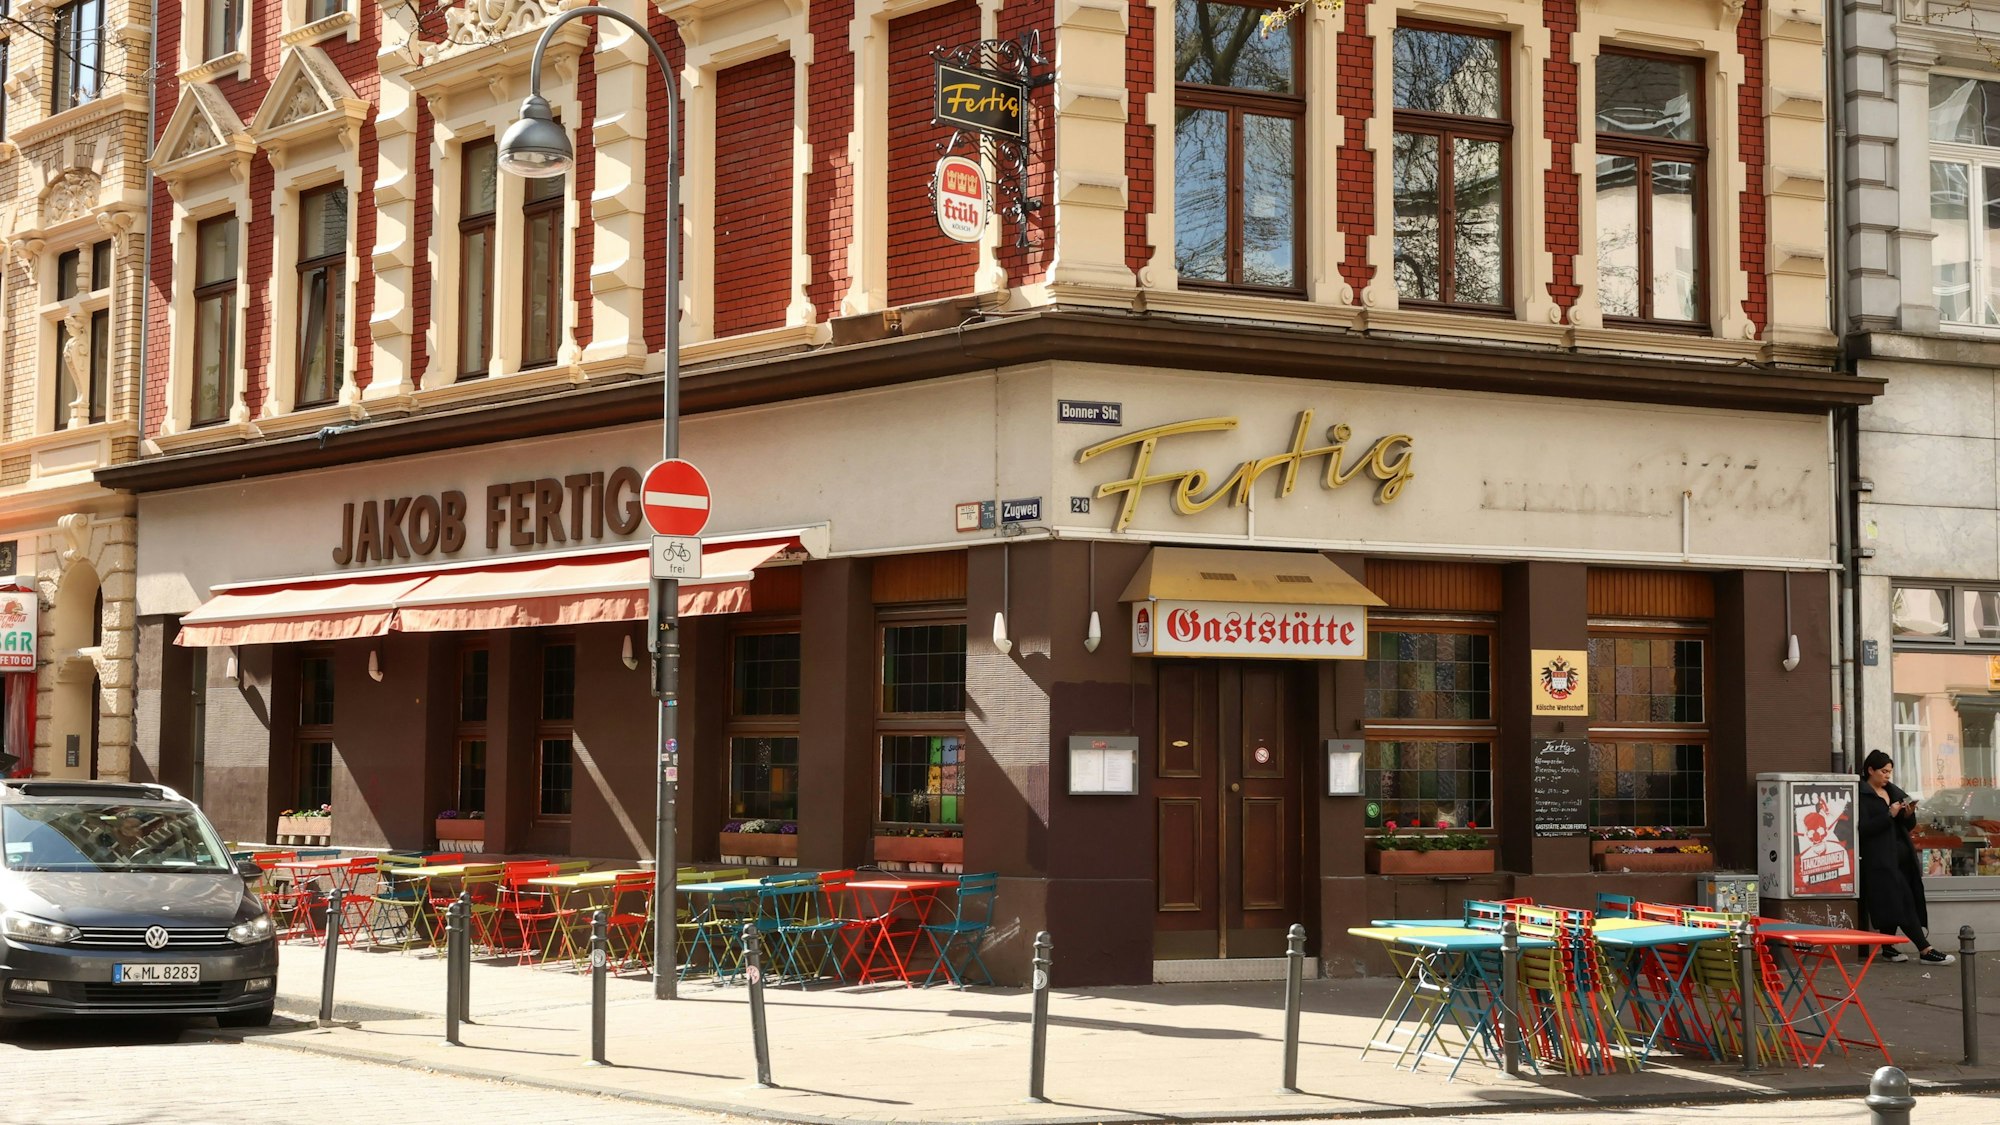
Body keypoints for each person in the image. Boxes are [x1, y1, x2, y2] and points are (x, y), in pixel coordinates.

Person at [1858, 750, 1955, 964]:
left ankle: (1888, 947)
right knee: (1903, 901)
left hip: (1902, 856)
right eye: (1883, 771)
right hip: (1880, 859)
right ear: (1870, 770)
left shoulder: (1893, 792)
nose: (1887, 776)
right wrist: (1888, 815)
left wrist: (1908, 814)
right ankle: (1925, 949)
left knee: (1896, 899)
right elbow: (1862, 829)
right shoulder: (1861, 795)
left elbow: (1907, 825)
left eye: (1890, 772)